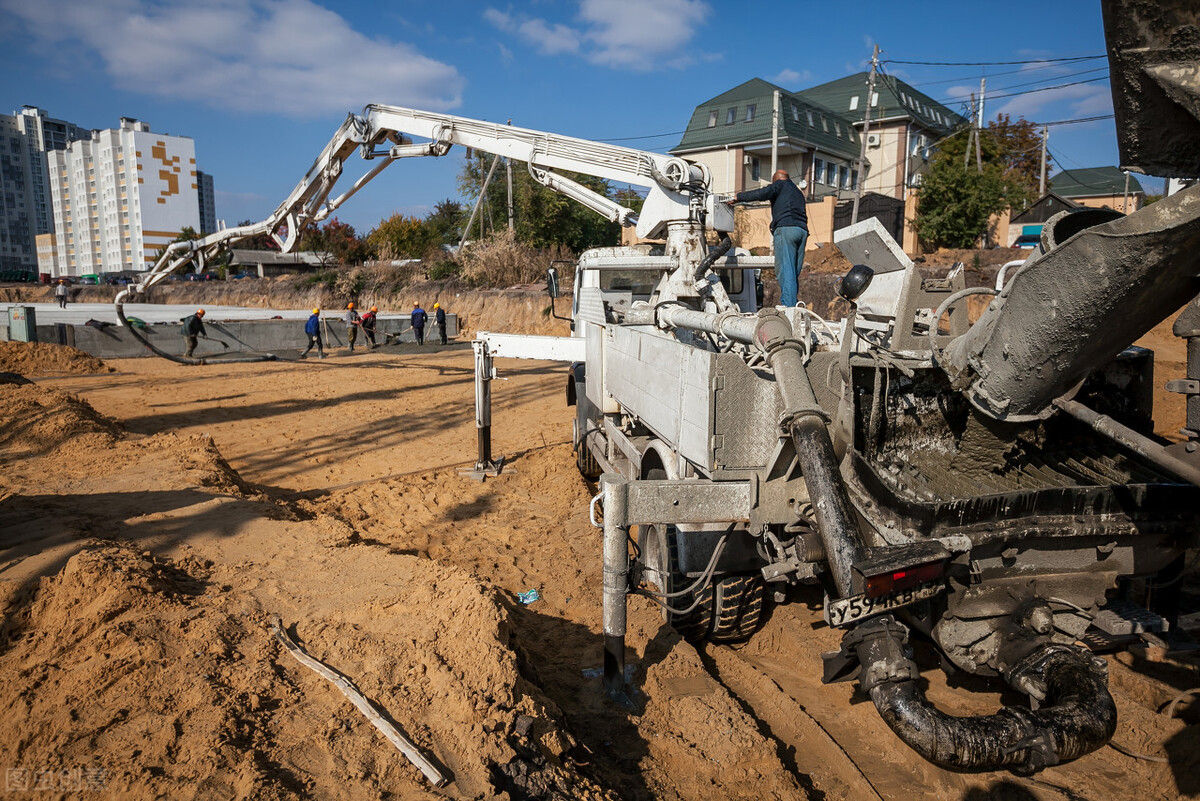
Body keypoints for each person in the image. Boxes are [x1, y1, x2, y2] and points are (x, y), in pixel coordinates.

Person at [728, 169, 809, 307]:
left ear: (776, 179)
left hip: (786, 229)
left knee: (785, 270)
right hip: (802, 231)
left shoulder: (780, 185)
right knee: (793, 272)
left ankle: (789, 310)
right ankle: (793, 304)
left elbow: (762, 193)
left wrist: (738, 197)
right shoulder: (798, 192)